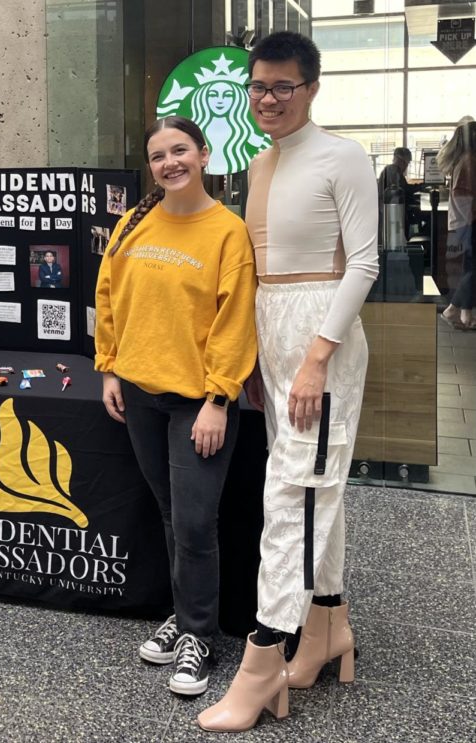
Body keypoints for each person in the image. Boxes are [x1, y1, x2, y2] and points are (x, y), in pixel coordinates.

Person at [198, 32, 378, 733]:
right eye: (258, 87)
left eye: (282, 87)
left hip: (320, 332)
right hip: (275, 329)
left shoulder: (344, 157)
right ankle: (328, 625)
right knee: (308, 481)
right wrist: (258, 358)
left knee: (294, 492)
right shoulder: (260, 162)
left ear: (311, 88)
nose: (267, 98)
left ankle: (265, 655)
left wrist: (314, 356)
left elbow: (362, 264)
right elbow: (260, 273)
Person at [95, 116, 257, 697]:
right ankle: (185, 616)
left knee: (193, 523)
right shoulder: (132, 225)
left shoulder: (227, 231)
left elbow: (235, 322)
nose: (170, 163)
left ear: (205, 155)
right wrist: (109, 366)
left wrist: (219, 398)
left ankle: (199, 635)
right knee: (170, 515)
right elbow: (107, 296)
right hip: (139, 395)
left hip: (198, 403)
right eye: (159, 155)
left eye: (180, 150)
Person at [438, 121, 476, 330]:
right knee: (472, 269)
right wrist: (472, 217)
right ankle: (453, 310)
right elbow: (461, 195)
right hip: (468, 223)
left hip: (463, 222)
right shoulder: (468, 160)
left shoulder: (464, 160)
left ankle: (464, 314)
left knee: (470, 268)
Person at [376, 147, 414, 245]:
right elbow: (404, 190)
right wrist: (422, 187)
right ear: (401, 161)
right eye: (407, 163)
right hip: (391, 215)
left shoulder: (390, 170)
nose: (406, 166)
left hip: (387, 214)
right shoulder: (393, 171)